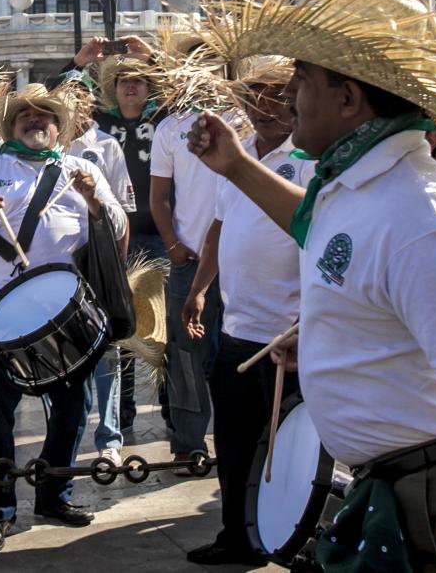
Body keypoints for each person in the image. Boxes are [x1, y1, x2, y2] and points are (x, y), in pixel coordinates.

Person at [185, 0, 436, 570]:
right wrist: (235, 167)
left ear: (348, 99)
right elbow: (320, 233)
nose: (290, 95)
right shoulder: (359, 187)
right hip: (395, 488)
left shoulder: (424, 222)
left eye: (301, 79)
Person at [0, 83, 127, 557]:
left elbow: (119, 226)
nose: (34, 121)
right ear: (11, 125)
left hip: (65, 310)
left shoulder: (81, 168)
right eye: (24, 115)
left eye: (43, 115)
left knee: (72, 411)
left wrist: (94, 202)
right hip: (3, 313)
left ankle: (54, 496)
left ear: (58, 125)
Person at [180, 58, 312, 566]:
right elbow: (219, 226)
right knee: (234, 444)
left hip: (290, 337)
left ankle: (292, 539)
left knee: (293, 449)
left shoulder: (310, 159)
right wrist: (198, 289)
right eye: (253, 96)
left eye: (277, 95)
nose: (265, 106)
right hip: (238, 328)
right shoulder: (230, 155)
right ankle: (237, 533)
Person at [150, 89, 226, 468]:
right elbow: (159, 196)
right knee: (184, 356)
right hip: (189, 261)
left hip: (240, 262)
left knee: (238, 353)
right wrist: (173, 245)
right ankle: (189, 443)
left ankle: (239, 440)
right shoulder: (171, 128)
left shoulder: (246, 121)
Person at [64, 87, 135, 464]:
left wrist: (116, 271)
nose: (75, 104)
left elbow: (122, 213)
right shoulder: (39, 155)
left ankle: (109, 439)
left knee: (107, 355)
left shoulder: (105, 147)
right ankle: (66, 443)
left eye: (81, 97)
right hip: (60, 276)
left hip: (99, 269)